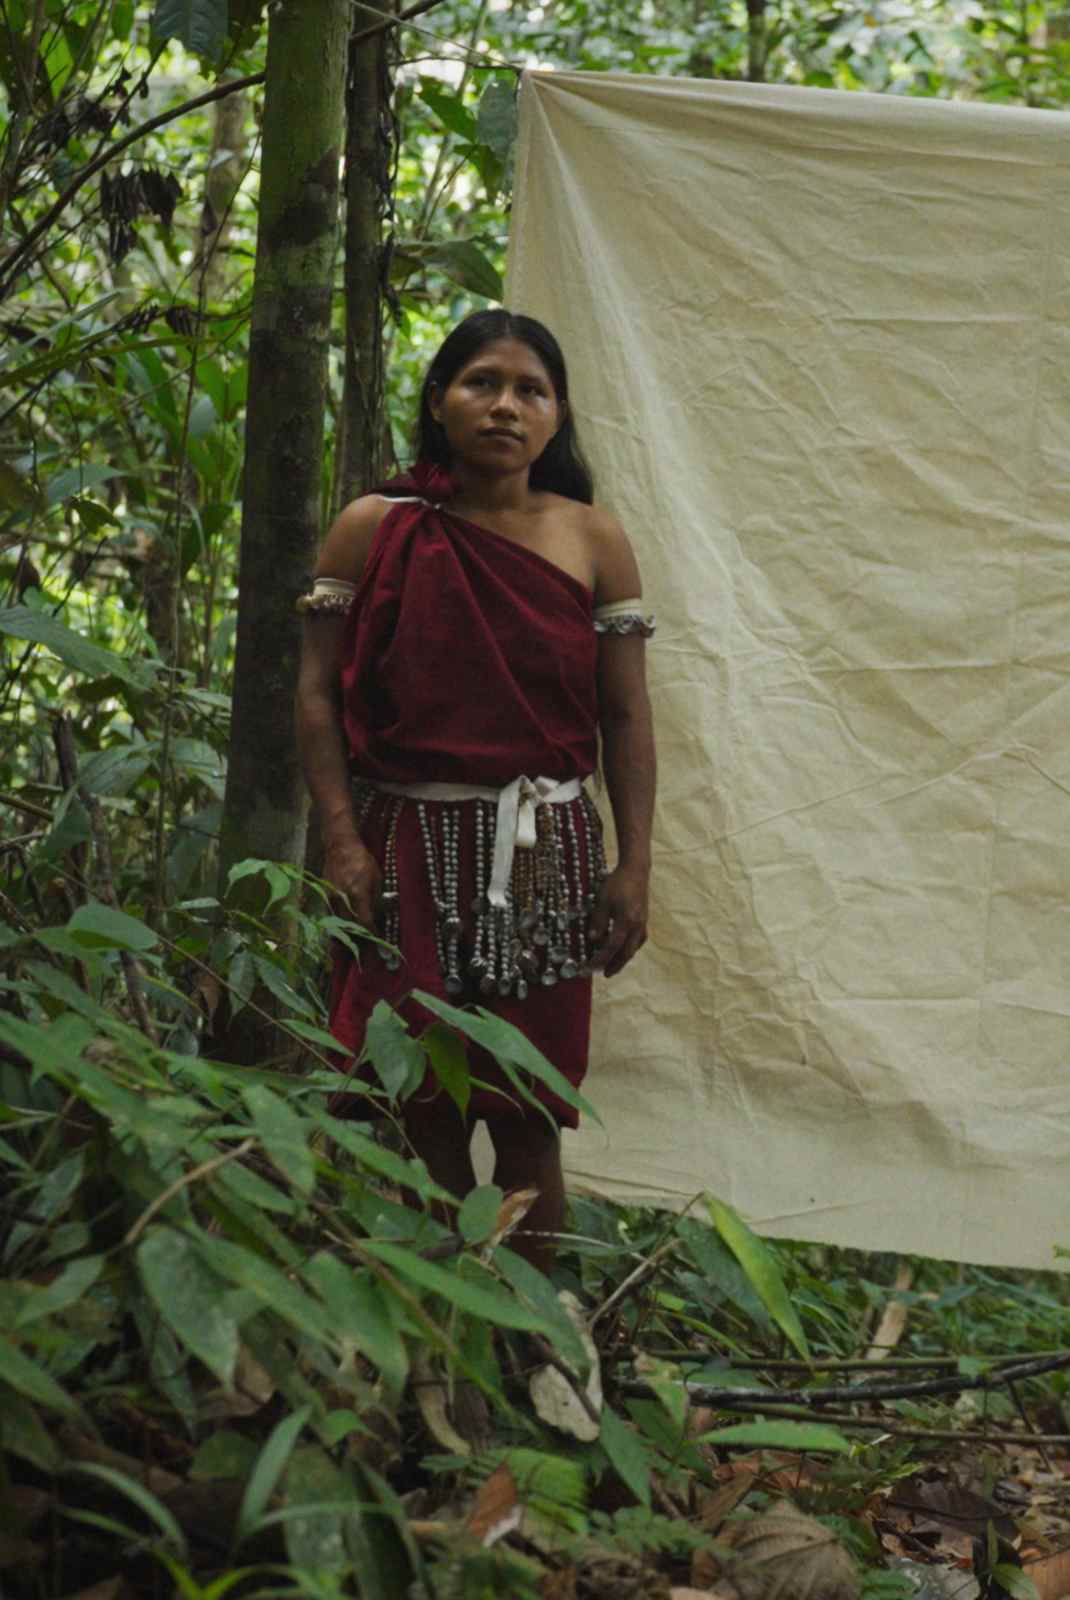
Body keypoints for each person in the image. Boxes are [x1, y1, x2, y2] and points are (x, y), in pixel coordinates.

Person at [295, 309, 658, 1270]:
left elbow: (626, 718)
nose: (505, 405)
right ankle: (444, 1323)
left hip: (546, 855)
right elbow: (316, 697)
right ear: (438, 402)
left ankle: (540, 1331)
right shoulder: (377, 528)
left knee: (530, 1109)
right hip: (400, 847)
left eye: (529, 389)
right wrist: (341, 838)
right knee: (422, 1103)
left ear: (558, 415)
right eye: (481, 383)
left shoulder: (594, 539)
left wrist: (636, 865)